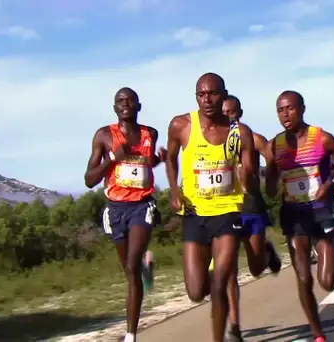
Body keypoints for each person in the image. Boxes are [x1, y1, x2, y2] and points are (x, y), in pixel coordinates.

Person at [165, 73, 260, 342]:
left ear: (224, 94)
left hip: (228, 211)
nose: (207, 100)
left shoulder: (239, 132)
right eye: (201, 94)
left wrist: (248, 174)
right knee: (196, 292)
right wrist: (174, 190)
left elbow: (250, 171)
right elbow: (171, 159)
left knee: (220, 286)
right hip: (195, 214)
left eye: (213, 94)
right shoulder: (181, 125)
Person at [265, 90, 334, 342]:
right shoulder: (275, 145)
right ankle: (318, 334)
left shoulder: (322, 138)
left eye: (290, 108)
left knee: (328, 282)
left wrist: (333, 183)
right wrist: (269, 178)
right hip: (293, 214)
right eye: (280, 110)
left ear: (302, 109)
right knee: (303, 278)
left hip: (320, 214)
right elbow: (271, 187)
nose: (285, 114)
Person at [84, 87, 166, 342]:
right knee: (130, 272)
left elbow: (146, 161)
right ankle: (145, 265)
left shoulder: (149, 133)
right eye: (121, 100)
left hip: (141, 206)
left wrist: (159, 161)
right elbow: (89, 179)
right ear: (115, 107)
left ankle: (130, 336)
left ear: (138, 106)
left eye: (130, 100)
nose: (125, 103)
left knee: (131, 266)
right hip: (116, 210)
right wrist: (112, 159)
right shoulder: (103, 136)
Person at [220, 94, 282, 341]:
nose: (228, 117)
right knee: (230, 270)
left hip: (251, 206)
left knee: (256, 270)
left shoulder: (251, 137)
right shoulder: (213, 141)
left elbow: (271, 154)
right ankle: (234, 327)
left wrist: (266, 180)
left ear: (240, 113)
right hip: (226, 209)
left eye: (232, 113)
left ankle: (266, 253)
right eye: (224, 113)